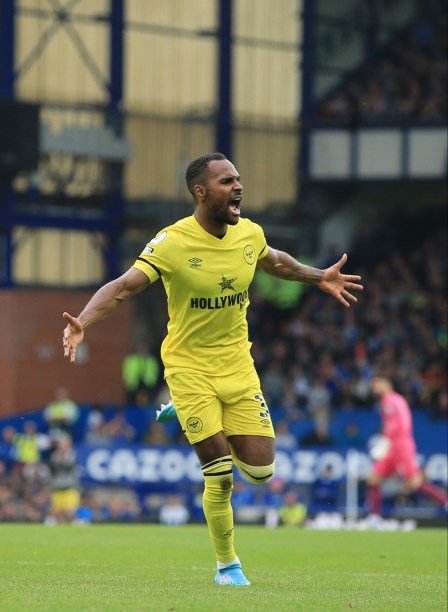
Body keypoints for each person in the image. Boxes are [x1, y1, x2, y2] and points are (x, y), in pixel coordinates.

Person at [61, 152, 363, 587]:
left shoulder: (250, 234)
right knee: (220, 473)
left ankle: (181, 412)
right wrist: (82, 322)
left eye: (238, 179)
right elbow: (124, 286)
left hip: (238, 365)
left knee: (261, 472)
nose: (237, 187)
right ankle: (228, 565)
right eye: (226, 181)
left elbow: (276, 261)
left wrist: (320, 277)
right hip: (189, 368)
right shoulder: (172, 242)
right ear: (201, 192)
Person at [365, 376, 448, 519]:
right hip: (393, 447)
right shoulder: (393, 400)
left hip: (400, 447)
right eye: (374, 386)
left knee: (415, 482)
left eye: (378, 383)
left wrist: (385, 441)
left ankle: (445, 501)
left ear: (387, 383)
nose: (376, 387)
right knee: (373, 479)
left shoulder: (390, 401)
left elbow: (397, 425)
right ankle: (374, 519)